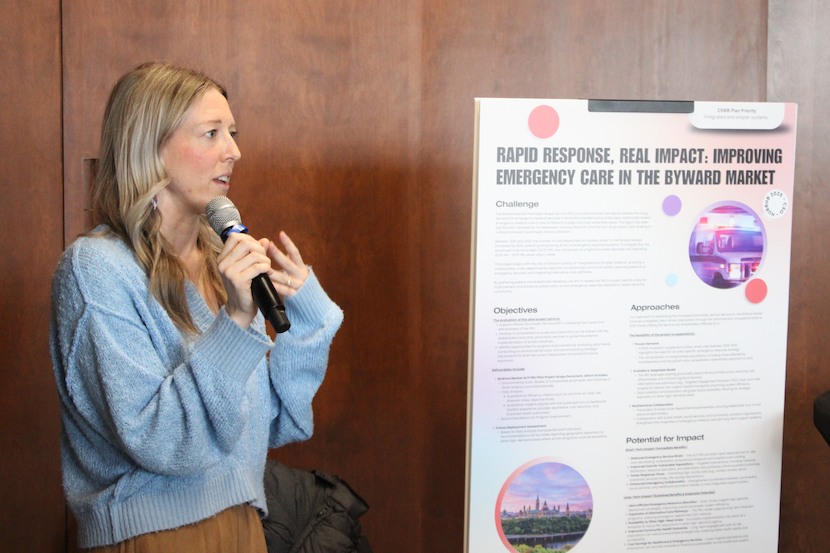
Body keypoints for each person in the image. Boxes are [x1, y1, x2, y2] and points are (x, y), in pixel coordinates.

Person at [50, 62, 343, 552]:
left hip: (244, 527)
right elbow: (162, 439)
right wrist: (234, 322)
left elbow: (270, 422)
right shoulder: (97, 270)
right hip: (153, 536)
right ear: (150, 148)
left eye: (232, 133)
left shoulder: (216, 265)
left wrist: (306, 318)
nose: (234, 151)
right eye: (211, 133)